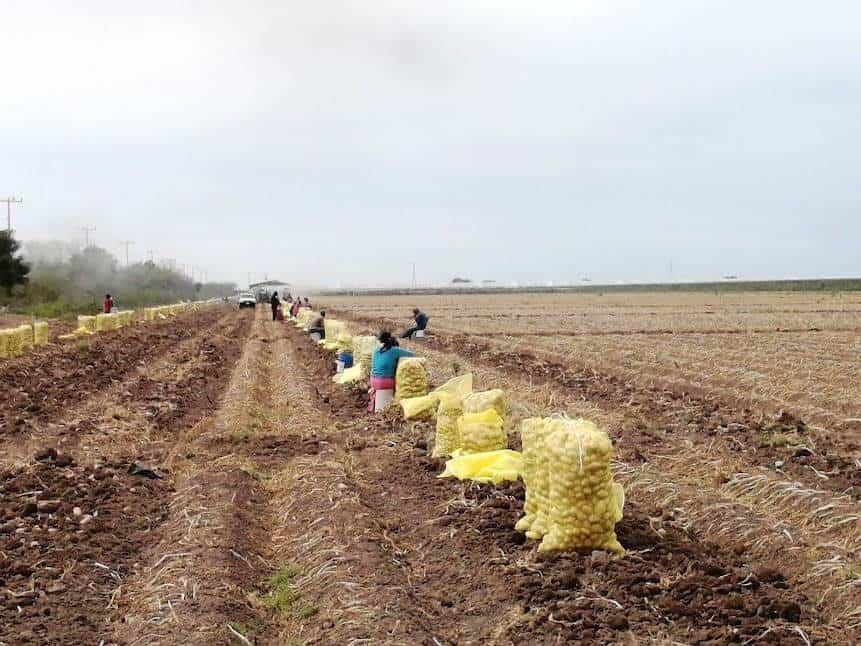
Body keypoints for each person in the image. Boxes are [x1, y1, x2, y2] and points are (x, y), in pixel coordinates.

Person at [369, 330, 414, 411]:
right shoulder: (394, 350)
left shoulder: (376, 349)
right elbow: (412, 355)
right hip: (384, 382)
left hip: (373, 380)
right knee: (401, 382)